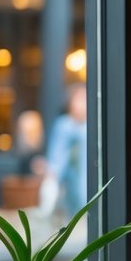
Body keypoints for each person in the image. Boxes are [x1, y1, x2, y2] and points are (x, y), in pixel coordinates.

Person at [44, 84, 89, 218]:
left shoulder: (90, 126)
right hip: (67, 184)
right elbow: (56, 156)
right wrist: (52, 175)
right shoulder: (63, 125)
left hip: (86, 183)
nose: (83, 104)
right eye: (80, 99)